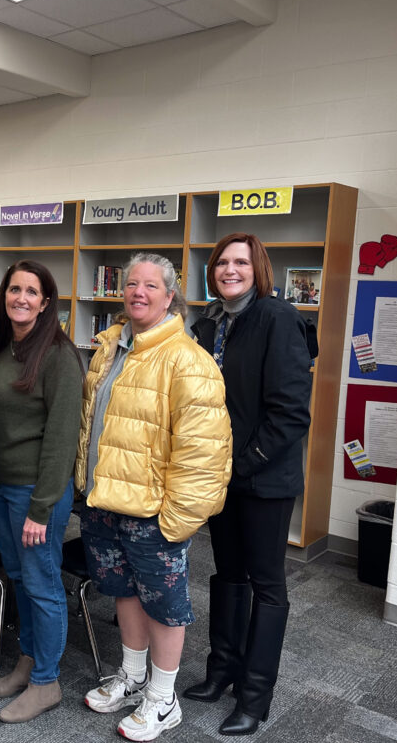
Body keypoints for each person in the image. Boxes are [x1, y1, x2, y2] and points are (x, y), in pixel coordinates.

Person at [76, 253, 231, 742]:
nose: (137, 292)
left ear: (169, 296)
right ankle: (133, 676)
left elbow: (204, 454)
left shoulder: (188, 360)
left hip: (153, 513)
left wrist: (178, 520)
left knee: (164, 605)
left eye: (150, 286)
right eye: (131, 284)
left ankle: (163, 699)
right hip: (104, 502)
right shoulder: (109, 348)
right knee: (123, 593)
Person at [184, 233, 313, 736]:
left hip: (264, 478)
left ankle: (255, 698)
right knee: (227, 574)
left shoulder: (279, 319)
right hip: (224, 476)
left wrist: (244, 464)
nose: (229, 269)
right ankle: (222, 673)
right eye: (221, 262)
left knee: (267, 586)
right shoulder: (210, 322)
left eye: (240, 262)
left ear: (258, 269)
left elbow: (290, 414)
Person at [0, 260, 83, 723]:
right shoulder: (1, 348)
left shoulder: (58, 355)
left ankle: (47, 682)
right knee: (19, 579)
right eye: (14, 289)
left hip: (35, 493)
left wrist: (42, 508)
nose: (21, 298)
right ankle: (28, 661)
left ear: (45, 302)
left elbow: (61, 439)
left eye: (31, 291)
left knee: (42, 585)